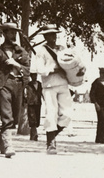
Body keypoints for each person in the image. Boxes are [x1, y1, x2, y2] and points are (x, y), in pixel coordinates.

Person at [31, 24, 83, 154]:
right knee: (51, 113)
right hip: (49, 85)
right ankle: (51, 143)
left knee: (67, 114)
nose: (52, 37)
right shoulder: (41, 51)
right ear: (45, 36)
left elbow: (72, 62)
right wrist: (54, 69)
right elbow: (40, 70)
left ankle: (53, 135)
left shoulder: (62, 49)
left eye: (54, 34)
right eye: (49, 35)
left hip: (64, 84)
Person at [0, 22, 31, 158]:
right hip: (4, 85)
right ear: (4, 33)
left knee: (15, 118)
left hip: (19, 85)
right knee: (6, 115)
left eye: (15, 32)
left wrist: (17, 65)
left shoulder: (22, 51)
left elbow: (28, 70)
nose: (13, 35)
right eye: (10, 32)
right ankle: (8, 145)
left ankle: (0, 140)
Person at [89, 67, 104, 144]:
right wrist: (95, 103)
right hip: (98, 104)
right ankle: (103, 138)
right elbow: (92, 94)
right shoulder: (95, 82)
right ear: (101, 74)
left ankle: (99, 138)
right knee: (102, 120)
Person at [25, 72, 42, 141]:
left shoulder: (40, 84)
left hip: (38, 103)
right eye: (33, 76)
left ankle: (33, 134)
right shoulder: (28, 84)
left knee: (37, 119)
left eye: (35, 75)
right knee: (32, 118)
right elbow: (25, 93)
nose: (34, 77)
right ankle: (34, 134)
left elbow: (42, 92)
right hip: (31, 103)